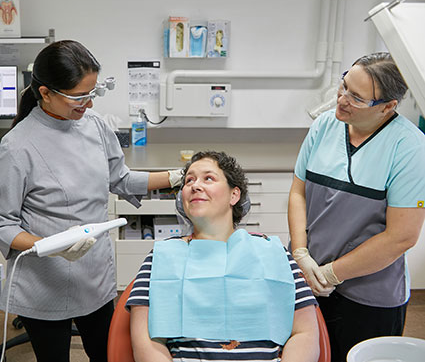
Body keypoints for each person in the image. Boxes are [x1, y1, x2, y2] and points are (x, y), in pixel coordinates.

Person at [0, 40, 182, 362]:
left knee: (107, 354)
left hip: (94, 279)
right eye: (79, 97)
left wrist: (175, 177)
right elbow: (4, 223)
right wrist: (51, 244)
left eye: (92, 94)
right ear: (45, 93)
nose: (89, 105)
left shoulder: (95, 127)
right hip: (43, 283)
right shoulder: (16, 147)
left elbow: (121, 179)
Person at [288, 52, 425, 362]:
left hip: (368, 295)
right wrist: (300, 253)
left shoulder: (410, 148)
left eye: (357, 98)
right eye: (344, 86)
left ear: (388, 106)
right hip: (307, 275)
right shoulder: (324, 126)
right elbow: (298, 191)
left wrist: (332, 274)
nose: (342, 100)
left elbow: (401, 237)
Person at [127, 150, 320, 362]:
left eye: (208, 178)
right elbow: (146, 340)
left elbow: (305, 333)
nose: (195, 185)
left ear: (234, 195)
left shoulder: (273, 253)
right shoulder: (162, 257)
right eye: (189, 180)